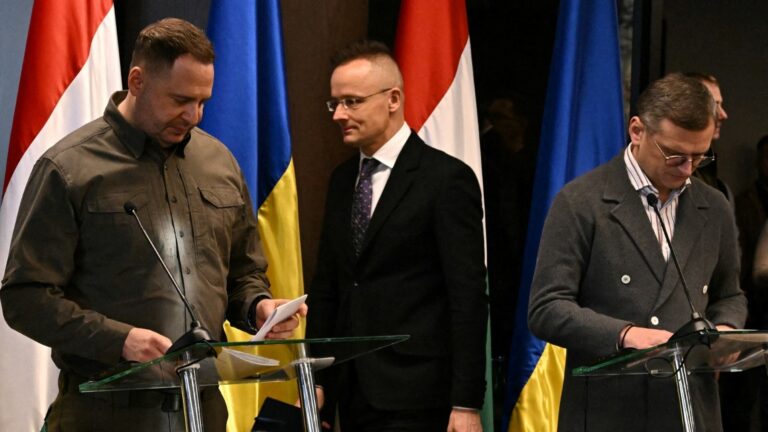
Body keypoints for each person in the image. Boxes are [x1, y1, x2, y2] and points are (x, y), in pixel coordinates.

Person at [0, 18, 305, 432]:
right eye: (180, 100)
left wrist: (258, 307)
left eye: (203, 102)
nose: (194, 116)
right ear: (137, 81)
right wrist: (118, 339)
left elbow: (243, 272)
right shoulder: (70, 168)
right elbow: (24, 298)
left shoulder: (219, 164)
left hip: (205, 408)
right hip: (104, 412)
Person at [527, 73, 746, 432]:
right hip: (606, 412)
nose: (688, 169)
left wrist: (725, 329)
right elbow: (546, 308)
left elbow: (730, 294)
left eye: (699, 157)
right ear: (637, 131)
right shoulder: (581, 201)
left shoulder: (714, 206)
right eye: (675, 155)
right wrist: (627, 334)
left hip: (690, 409)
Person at [305, 40, 488, 431]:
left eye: (352, 101)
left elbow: (468, 297)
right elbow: (328, 288)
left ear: (392, 99)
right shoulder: (341, 181)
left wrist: (467, 402)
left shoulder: (446, 180)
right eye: (334, 103)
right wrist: (317, 382)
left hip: (419, 397)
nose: (339, 114)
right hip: (349, 395)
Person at [684, 72, 733, 203]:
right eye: (714, 105)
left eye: (721, 105)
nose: (723, 115)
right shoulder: (667, 175)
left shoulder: (721, 190)